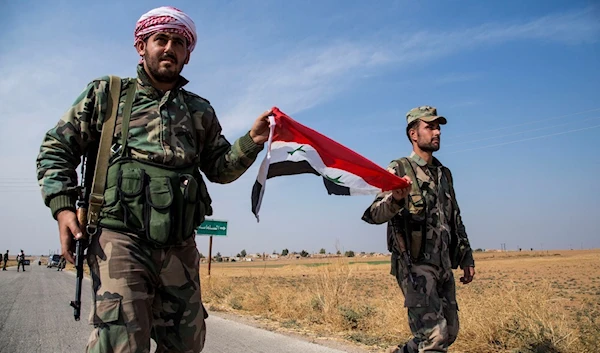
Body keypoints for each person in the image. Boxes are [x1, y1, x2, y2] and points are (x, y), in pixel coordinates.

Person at [36, 6, 270, 353]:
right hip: (120, 238)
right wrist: (63, 209)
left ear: (188, 55)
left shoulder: (199, 111)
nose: (169, 48)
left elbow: (220, 168)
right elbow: (56, 148)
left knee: (186, 343)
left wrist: (252, 139)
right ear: (141, 46)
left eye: (179, 42)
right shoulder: (107, 95)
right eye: (161, 39)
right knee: (121, 342)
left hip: (179, 244)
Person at [362, 106, 475, 353]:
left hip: (443, 264)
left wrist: (466, 256)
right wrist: (396, 200)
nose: (437, 132)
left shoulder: (444, 174)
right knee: (435, 338)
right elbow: (373, 214)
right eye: (430, 127)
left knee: (449, 333)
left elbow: (455, 217)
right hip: (415, 266)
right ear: (414, 134)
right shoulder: (400, 168)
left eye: (439, 128)